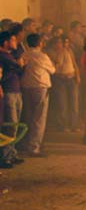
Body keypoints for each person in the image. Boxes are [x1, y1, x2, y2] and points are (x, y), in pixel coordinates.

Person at [18, 34, 55, 156]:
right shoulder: (42, 56)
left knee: (28, 117)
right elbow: (52, 70)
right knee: (39, 119)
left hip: (26, 87)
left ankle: (27, 144)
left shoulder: (25, 54)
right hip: (40, 87)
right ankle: (34, 147)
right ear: (40, 43)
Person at [0, 31, 24, 169]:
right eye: (13, 40)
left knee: (15, 125)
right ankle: (5, 156)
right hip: (8, 91)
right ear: (5, 42)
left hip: (16, 91)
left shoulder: (9, 56)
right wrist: (19, 64)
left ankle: (12, 153)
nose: (16, 42)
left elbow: (19, 69)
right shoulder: (3, 56)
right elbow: (16, 68)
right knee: (10, 125)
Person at [47, 36, 80, 132]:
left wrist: (77, 75)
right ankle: (63, 125)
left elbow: (74, 63)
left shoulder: (69, 51)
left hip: (71, 79)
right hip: (60, 79)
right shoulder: (51, 53)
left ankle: (74, 125)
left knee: (74, 103)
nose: (60, 45)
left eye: (62, 43)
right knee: (62, 104)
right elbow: (55, 66)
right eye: (58, 43)